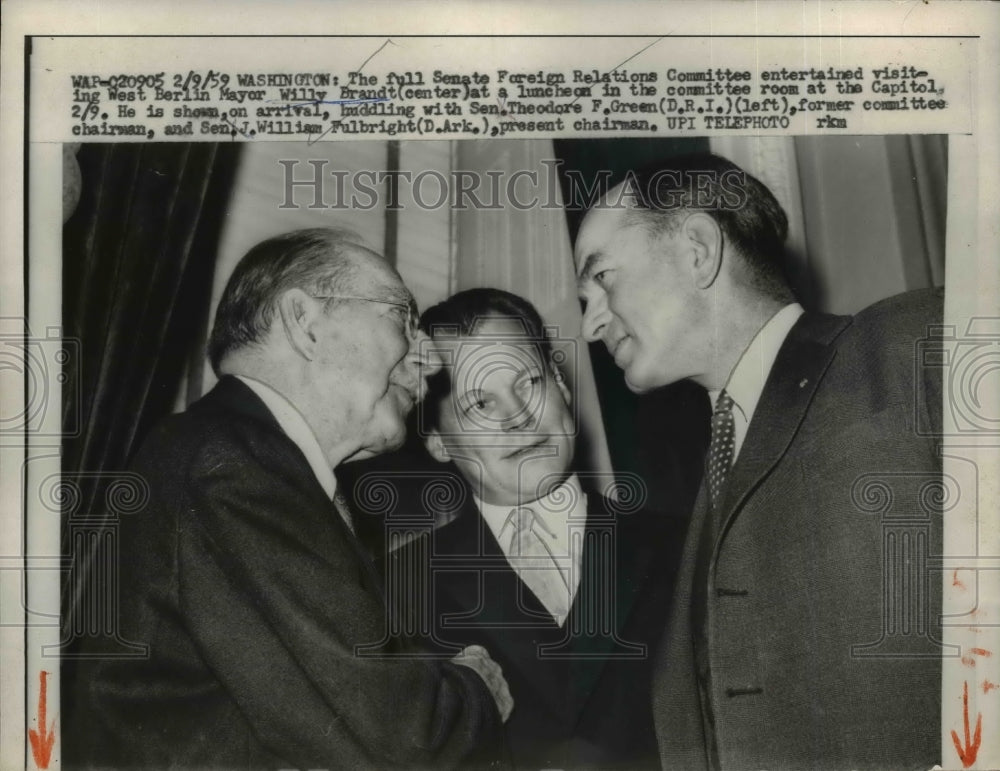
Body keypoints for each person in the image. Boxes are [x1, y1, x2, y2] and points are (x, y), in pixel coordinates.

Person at [69, 228, 511, 769]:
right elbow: (396, 738)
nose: (431, 360)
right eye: (402, 318)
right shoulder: (232, 465)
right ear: (304, 323)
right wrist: (477, 691)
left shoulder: (234, 457)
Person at [574, 154, 943, 770]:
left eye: (603, 279)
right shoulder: (710, 466)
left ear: (697, 249)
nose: (589, 325)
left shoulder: (914, 346)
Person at [387, 288, 685, 769]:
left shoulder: (688, 544)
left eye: (527, 382)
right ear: (439, 442)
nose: (518, 417)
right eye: (480, 403)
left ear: (562, 389)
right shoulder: (393, 588)